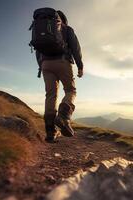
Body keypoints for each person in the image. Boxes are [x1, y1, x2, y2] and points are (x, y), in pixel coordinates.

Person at [36, 10, 84, 143]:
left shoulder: (40, 30)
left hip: (45, 64)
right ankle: (63, 116)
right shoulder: (67, 29)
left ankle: (50, 132)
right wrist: (80, 66)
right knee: (70, 90)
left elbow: (38, 52)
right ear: (62, 19)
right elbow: (75, 48)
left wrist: (42, 66)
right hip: (63, 61)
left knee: (51, 95)